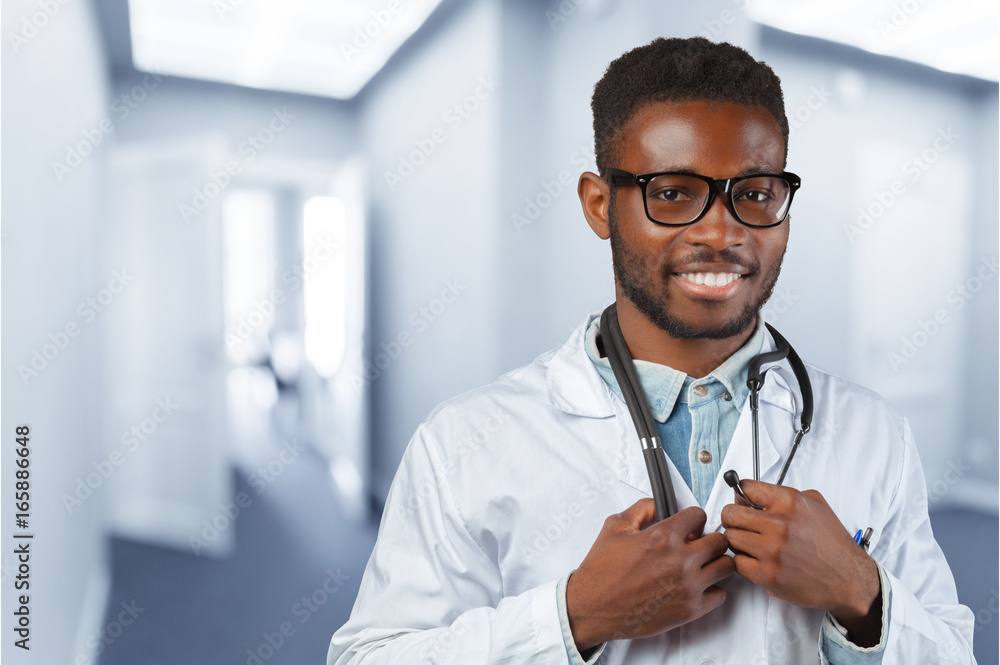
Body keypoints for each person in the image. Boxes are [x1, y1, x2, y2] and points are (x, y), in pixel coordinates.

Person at [327, 37, 976, 664]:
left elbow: (952, 651)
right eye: (673, 193)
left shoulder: (873, 431)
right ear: (600, 204)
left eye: (755, 194)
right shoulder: (464, 443)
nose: (721, 232)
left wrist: (860, 593)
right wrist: (575, 616)